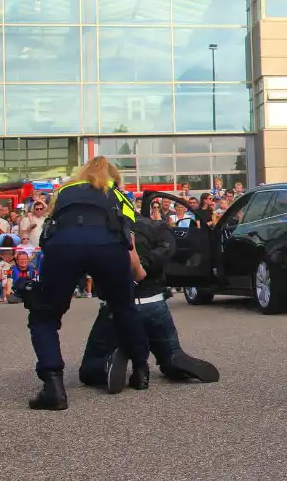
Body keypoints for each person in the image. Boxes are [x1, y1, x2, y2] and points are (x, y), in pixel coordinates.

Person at [25, 156, 150, 411]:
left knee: (44, 315)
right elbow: (130, 234)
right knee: (124, 308)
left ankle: (53, 386)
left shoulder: (66, 189)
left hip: (64, 247)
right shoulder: (116, 192)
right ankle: (140, 371)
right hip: (108, 247)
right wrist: (137, 268)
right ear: (113, 176)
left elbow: (52, 220)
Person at [79, 216, 220, 393]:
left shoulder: (103, 228)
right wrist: (147, 263)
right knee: (169, 350)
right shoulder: (157, 227)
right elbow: (169, 249)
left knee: (88, 370)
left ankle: (106, 364)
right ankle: (173, 358)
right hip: (155, 304)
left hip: (118, 307)